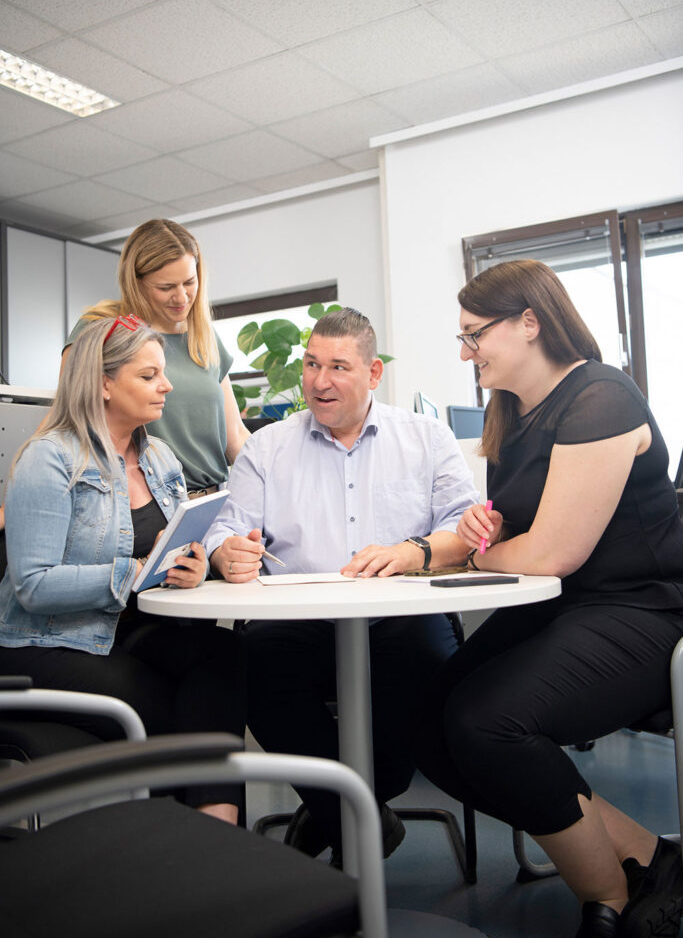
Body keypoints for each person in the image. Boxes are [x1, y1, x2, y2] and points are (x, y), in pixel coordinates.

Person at [415, 260, 683, 938]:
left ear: (528, 323)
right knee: (426, 725)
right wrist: (491, 528)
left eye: (473, 334)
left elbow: (552, 553)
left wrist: (482, 551)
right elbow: (519, 528)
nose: (463, 351)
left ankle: (606, 898)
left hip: (640, 609)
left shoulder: (600, 397)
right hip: (563, 607)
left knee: (486, 723)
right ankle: (649, 858)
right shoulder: (511, 416)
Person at [203, 306, 479, 861]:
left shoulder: (426, 438)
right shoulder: (268, 447)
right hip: (297, 620)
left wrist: (410, 553)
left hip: (401, 616)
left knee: (430, 674)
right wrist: (224, 552)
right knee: (252, 667)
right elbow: (227, 529)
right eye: (310, 364)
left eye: (337, 366)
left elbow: (463, 529)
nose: (319, 381)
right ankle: (362, 822)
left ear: (374, 373)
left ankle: (334, 813)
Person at [0, 317, 246, 824]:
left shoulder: (160, 458)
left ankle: (213, 837)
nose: (168, 385)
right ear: (104, 383)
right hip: (49, 643)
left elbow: (178, 542)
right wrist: (131, 573)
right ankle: (198, 849)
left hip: (127, 629)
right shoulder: (50, 461)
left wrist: (192, 566)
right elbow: (32, 586)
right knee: (171, 708)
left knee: (225, 657)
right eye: (149, 375)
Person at [64, 218, 249, 495]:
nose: (181, 297)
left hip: (211, 501)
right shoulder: (103, 328)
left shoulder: (204, 337)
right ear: (136, 282)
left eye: (189, 282)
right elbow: (70, 421)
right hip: (141, 503)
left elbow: (234, 437)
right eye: (166, 287)